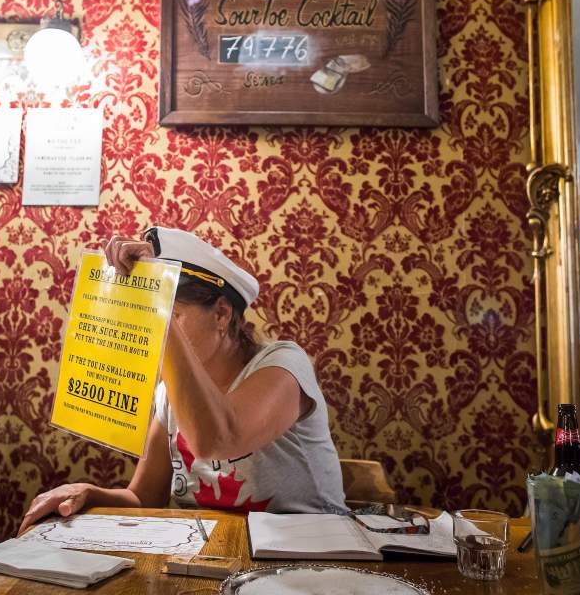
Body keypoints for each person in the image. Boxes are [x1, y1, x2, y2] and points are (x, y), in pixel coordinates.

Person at [20, 227, 345, 533]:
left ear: (221, 314)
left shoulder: (284, 363)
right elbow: (144, 498)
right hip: (215, 560)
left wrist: (154, 297)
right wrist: (89, 492)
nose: (153, 332)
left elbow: (219, 438)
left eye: (171, 315)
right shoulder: (169, 392)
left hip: (308, 557)